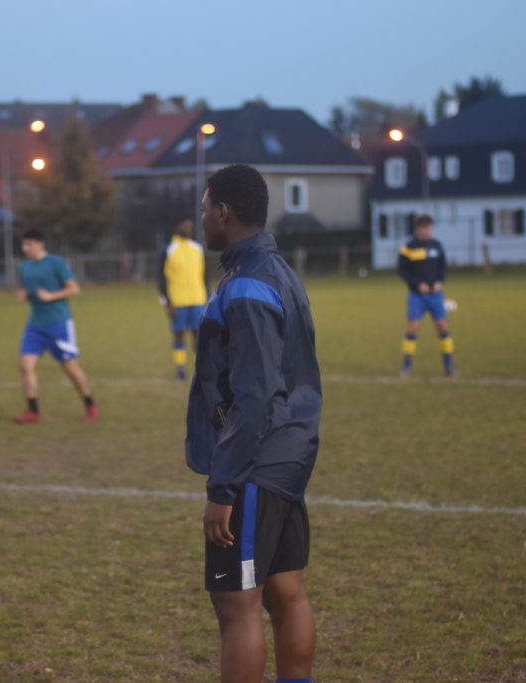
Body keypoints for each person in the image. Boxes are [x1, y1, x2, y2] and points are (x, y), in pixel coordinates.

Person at [186, 164, 322, 683]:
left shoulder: (247, 285)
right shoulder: (279, 270)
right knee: (286, 594)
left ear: (222, 211)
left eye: (204, 208)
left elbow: (255, 394)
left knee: (235, 606)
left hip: (255, 464)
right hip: (289, 454)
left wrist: (223, 487)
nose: (201, 219)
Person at [12, 229, 97, 423]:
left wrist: (51, 296)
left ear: (41, 244)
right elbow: (30, 289)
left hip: (59, 323)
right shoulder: (24, 267)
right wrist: (24, 294)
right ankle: (33, 411)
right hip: (35, 324)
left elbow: (75, 288)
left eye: (29, 244)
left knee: (69, 367)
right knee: (25, 365)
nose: (26, 249)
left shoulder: (56, 263)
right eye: (24, 245)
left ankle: (89, 403)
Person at [397, 214, 456, 377]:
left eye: (429, 228)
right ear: (417, 229)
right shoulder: (408, 247)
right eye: (423, 228)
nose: (426, 231)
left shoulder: (437, 246)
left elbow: (443, 267)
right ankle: (407, 367)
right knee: (412, 330)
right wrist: (417, 285)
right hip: (417, 296)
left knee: (443, 328)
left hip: (436, 295)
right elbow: (402, 271)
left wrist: (440, 281)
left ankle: (449, 367)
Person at [158, 217, 209, 380]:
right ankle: (180, 368)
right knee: (179, 334)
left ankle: (199, 369)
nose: (188, 228)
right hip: (177, 301)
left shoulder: (198, 249)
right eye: (185, 226)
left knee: (198, 335)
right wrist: (167, 302)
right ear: (177, 226)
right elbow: (161, 278)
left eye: (190, 226)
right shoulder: (168, 250)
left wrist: (208, 298)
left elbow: (204, 276)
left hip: (198, 300)